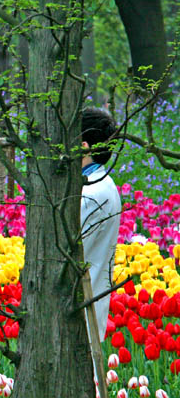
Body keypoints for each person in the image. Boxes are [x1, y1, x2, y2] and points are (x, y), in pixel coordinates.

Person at [80, 107, 122, 342]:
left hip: (81, 307)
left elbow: (71, 253)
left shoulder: (93, 194)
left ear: (84, 146)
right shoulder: (103, 185)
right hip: (89, 304)